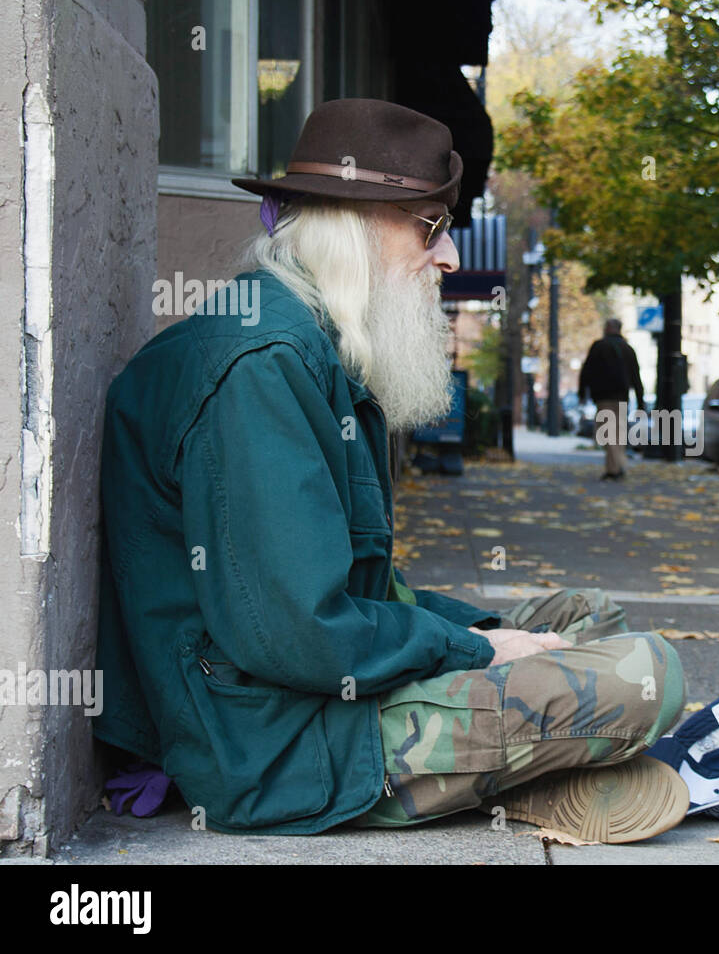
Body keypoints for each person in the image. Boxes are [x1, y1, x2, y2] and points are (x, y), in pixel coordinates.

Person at [94, 99, 687, 843]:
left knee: (583, 617)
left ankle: (530, 774)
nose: (449, 259)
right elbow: (302, 634)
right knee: (650, 674)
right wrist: (477, 648)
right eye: (429, 227)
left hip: (300, 702)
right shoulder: (265, 368)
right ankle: (530, 774)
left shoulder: (301, 344)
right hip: (270, 750)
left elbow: (362, 594)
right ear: (349, 226)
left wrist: (489, 632)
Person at [578, 319, 645, 480]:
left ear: (608, 328)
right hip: (622, 398)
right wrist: (640, 401)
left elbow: (586, 371)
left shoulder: (599, 346)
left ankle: (617, 467)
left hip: (603, 397)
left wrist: (582, 393)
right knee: (617, 433)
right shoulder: (628, 349)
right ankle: (613, 468)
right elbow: (636, 377)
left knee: (607, 433)